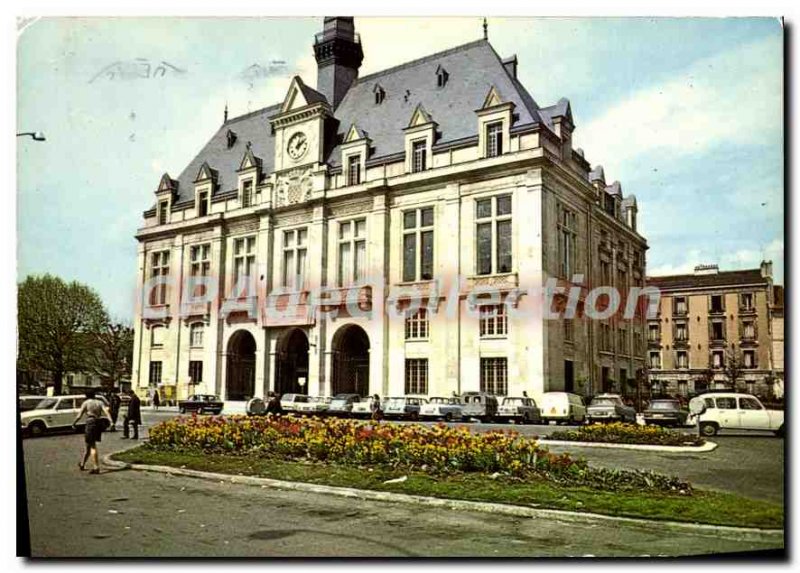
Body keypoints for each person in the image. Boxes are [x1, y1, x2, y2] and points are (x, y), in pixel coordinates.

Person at [72, 389, 111, 474]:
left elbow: (80, 415)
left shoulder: (86, 403)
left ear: (86, 396)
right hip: (98, 422)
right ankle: (82, 464)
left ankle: (96, 467)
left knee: (92, 445)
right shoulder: (99, 402)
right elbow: (106, 412)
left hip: (90, 422)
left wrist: (74, 423)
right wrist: (111, 421)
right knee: (88, 445)